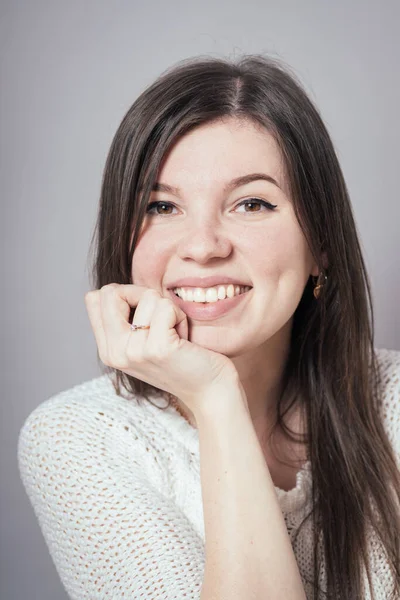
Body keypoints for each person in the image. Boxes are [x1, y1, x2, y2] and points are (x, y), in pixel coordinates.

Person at [18, 54, 400, 599]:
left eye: (250, 203)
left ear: (320, 243)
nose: (202, 246)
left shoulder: (393, 404)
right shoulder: (78, 439)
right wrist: (216, 397)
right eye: (161, 206)